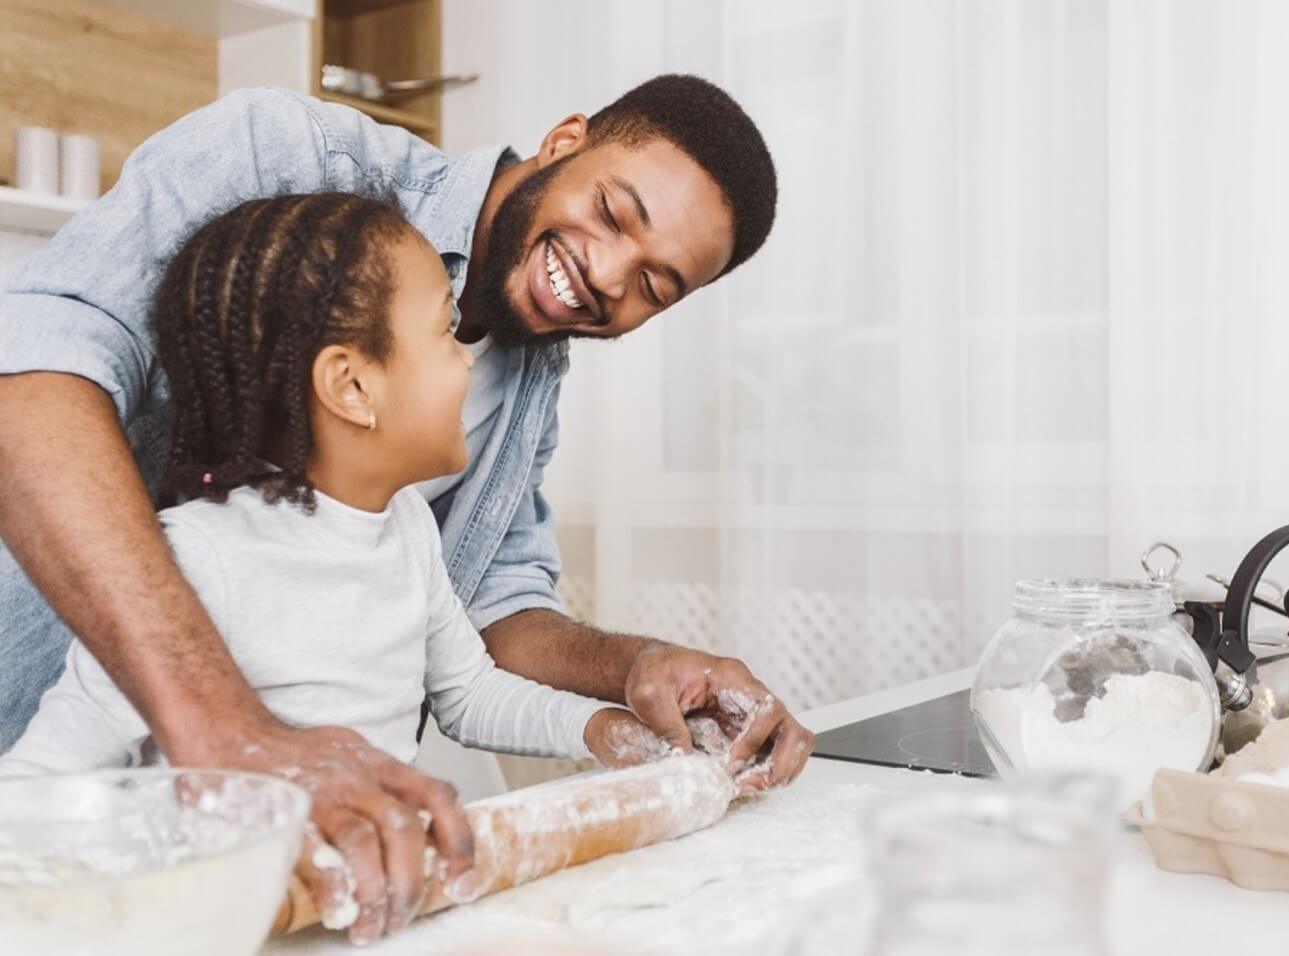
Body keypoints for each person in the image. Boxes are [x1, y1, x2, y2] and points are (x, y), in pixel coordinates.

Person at [0, 74, 813, 940]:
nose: (610, 276)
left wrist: (637, 674)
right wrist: (229, 736)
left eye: (657, 285)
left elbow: (486, 627)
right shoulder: (286, 154)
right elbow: (34, 376)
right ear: (565, 140)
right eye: (615, 212)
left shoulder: (523, 386)